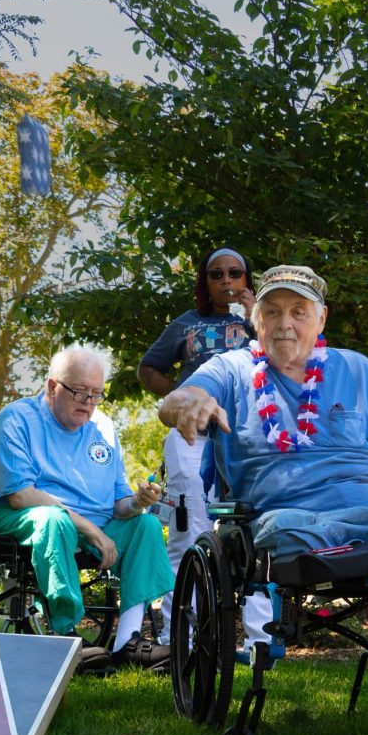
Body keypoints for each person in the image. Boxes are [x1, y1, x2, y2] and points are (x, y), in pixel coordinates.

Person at [159, 264, 368, 735]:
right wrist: (186, 404)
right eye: (273, 312)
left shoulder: (359, 371)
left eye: (298, 312)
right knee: (280, 532)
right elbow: (180, 397)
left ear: (320, 319)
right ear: (254, 321)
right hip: (287, 519)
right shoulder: (233, 370)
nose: (285, 324)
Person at [0, 346, 175, 668]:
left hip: (94, 522)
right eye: (80, 392)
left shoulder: (102, 426)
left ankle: (128, 641)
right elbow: (20, 496)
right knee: (53, 520)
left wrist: (138, 503)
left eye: (96, 394)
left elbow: (118, 504)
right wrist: (88, 529)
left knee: (146, 525)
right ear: (51, 387)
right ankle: (65, 634)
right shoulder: (13, 420)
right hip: (23, 516)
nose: (88, 403)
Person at [139, 246, 271, 648]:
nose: (227, 281)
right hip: (193, 434)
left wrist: (256, 316)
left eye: (236, 273)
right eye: (217, 275)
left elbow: (291, 361)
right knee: (188, 527)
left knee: (256, 528)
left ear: (247, 279)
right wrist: (181, 397)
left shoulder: (264, 324)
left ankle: (260, 640)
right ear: (205, 281)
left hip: (247, 433)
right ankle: (182, 635)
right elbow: (148, 368)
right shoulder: (186, 325)